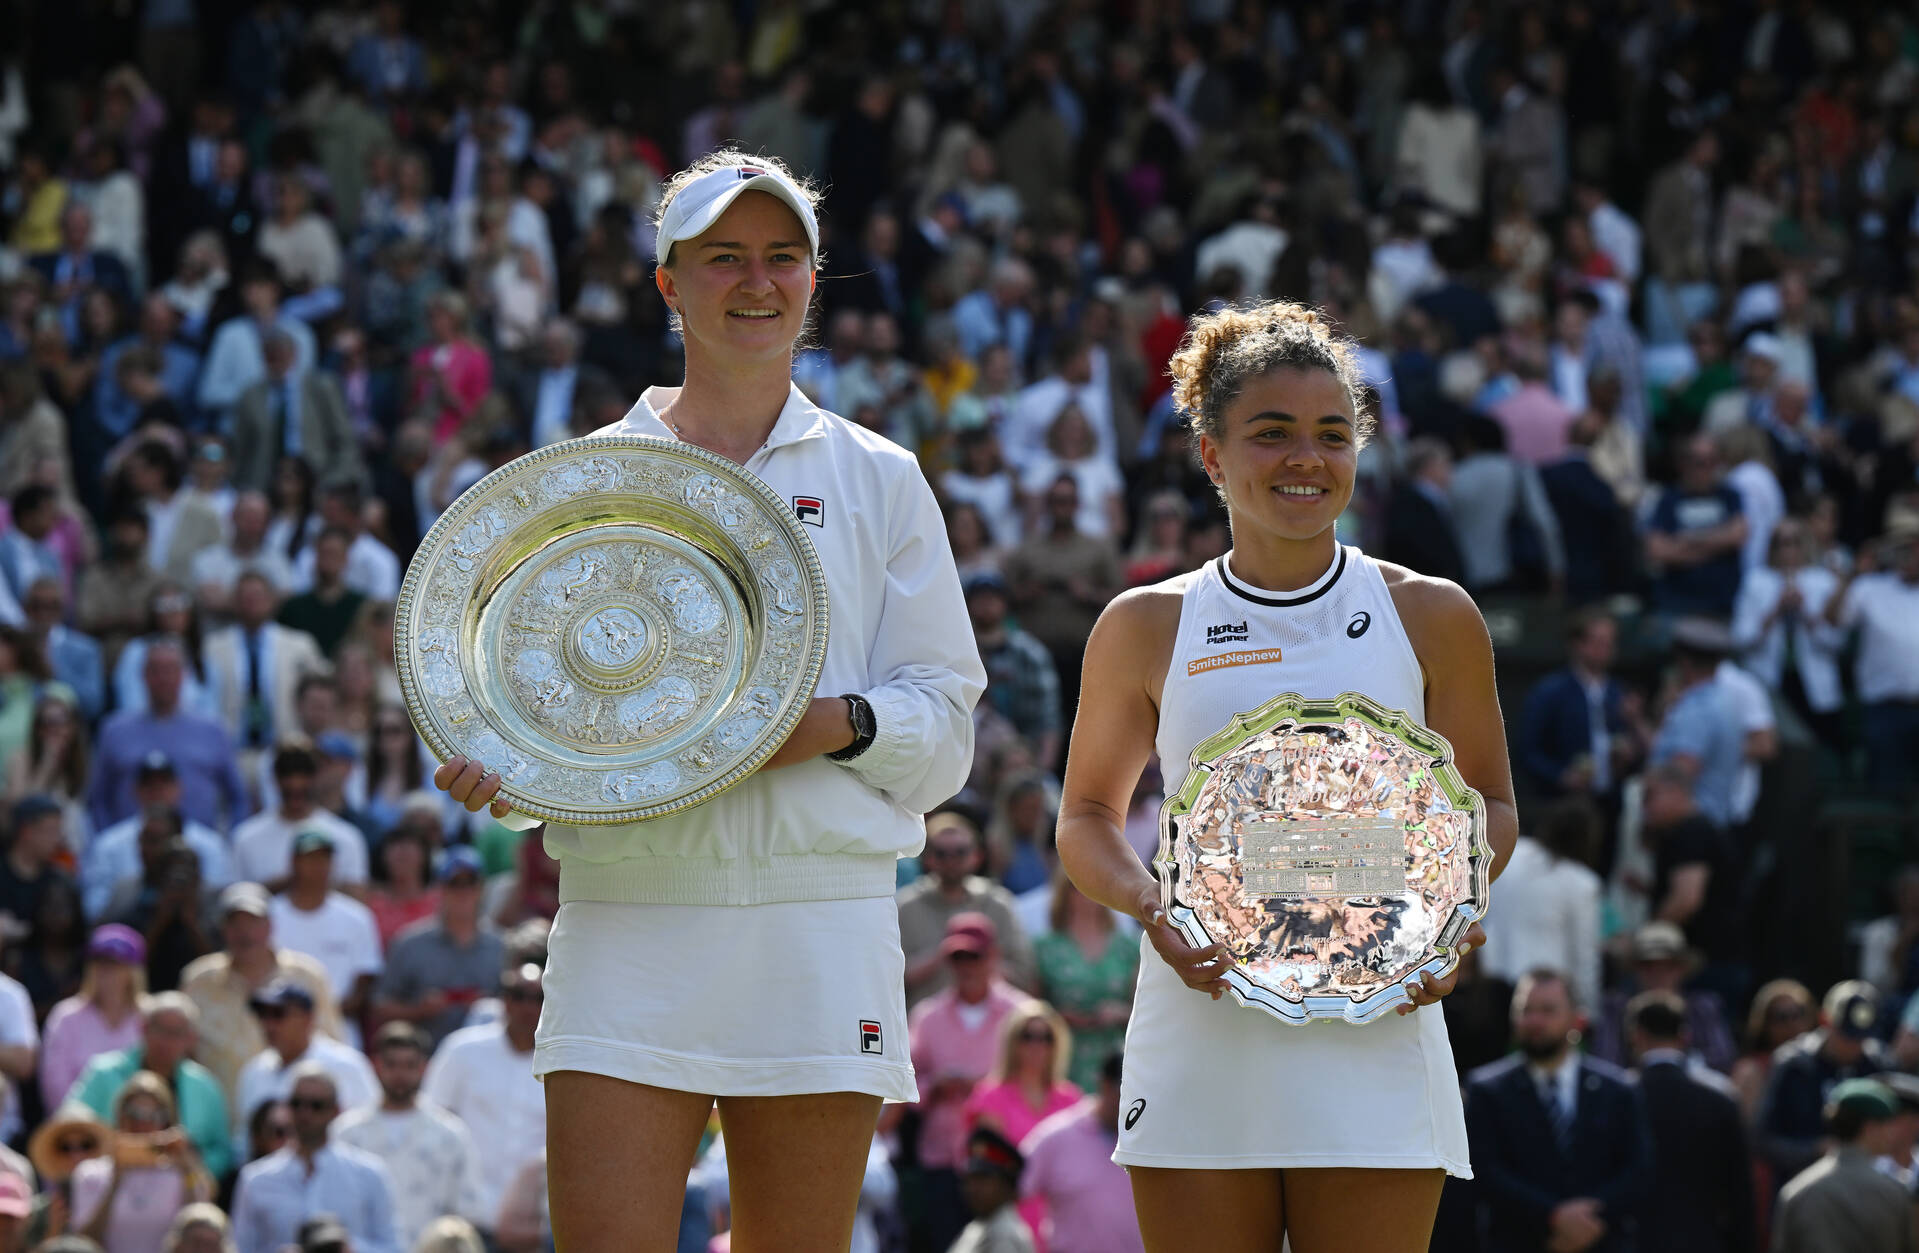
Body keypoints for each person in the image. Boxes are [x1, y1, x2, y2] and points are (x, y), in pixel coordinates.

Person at [433, 150, 984, 1253]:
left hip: (820, 924)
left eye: (783, 258)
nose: (755, 280)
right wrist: (496, 771)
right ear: (667, 285)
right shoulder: (577, 479)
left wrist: (817, 727)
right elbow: (516, 710)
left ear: (813, 281)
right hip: (628, 921)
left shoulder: (880, 475)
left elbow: (946, 728)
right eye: (722, 256)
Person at [1054, 301, 1512, 1252]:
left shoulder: (1433, 614)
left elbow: (1491, 807)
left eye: (1331, 435)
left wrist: (1445, 913)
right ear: (1212, 454)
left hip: (1378, 1025)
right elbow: (1087, 818)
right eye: (1271, 433)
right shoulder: (1144, 623)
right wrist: (1155, 907)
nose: (1305, 457)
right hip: (1201, 1022)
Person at [1464, 969, 1655, 1253]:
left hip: (1602, 1241)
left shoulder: (1618, 1090)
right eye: (1526, 1010)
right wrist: (1552, 1216)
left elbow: (1639, 1168)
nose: (1535, 1021)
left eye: (1548, 1010)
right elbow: (1485, 1171)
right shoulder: (1486, 1091)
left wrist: (1590, 1216)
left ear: (1576, 1019)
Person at [178, 883, 345, 1105]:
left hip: (297, 1122)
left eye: (253, 922)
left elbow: (331, 1044)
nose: (244, 932)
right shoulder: (198, 981)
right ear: (222, 929)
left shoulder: (307, 976)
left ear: (270, 925)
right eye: (234, 923)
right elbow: (182, 1053)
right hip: (222, 1121)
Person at [332, 1023, 486, 1251]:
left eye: (409, 1065)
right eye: (392, 1065)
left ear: (424, 1067)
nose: (400, 1075)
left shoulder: (451, 1134)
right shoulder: (346, 1133)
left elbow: (467, 1211)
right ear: (377, 1065)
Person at [420, 963, 545, 1233]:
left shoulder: (560, 1066)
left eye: (539, 997)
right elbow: (431, 1120)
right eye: (518, 995)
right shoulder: (462, 1050)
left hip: (533, 1223)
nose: (528, 1007)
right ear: (504, 1000)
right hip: (466, 1214)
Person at [1626, 991, 1754, 1253]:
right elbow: (1740, 1195)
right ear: (1685, 1036)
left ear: (1636, 1035)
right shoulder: (1720, 1099)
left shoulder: (1617, 1097)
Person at [229, 1064, 400, 1253]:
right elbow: (240, 1248)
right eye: (296, 1104)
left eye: (316, 1105)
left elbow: (393, 1247)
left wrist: (349, 1249)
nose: (305, 1113)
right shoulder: (255, 1180)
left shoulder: (370, 1174)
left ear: (336, 1110)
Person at [88, 639, 249, 835]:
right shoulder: (114, 730)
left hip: (197, 853)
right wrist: (110, 842)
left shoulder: (213, 730)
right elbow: (97, 799)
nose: (163, 678)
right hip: (130, 854)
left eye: (170, 670)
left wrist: (226, 842)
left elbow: (238, 797)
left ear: (184, 675)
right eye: (155, 670)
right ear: (143, 675)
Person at [65, 992, 233, 1179]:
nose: (166, 1041)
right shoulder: (103, 1073)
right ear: (143, 1028)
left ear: (190, 1039)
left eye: (176, 1033)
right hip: (108, 1181)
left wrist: (190, 1166)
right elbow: (70, 1124)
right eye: (160, 1030)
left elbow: (221, 1151)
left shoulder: (206, 1087)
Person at [962, 1002, 1080, 1247]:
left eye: (1046, 1037)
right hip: (1012, 1223)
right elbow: (990, 1173)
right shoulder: (991, 1097)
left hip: (1062, 1219)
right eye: (1028, 1036)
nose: (1037, 1045)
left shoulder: (1071, 1098)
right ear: (1012, 1042)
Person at [69, 1069, 217, 1253]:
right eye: (134, 1114)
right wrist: (115, 1183)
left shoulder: (182, 1172)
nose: (143, 1124)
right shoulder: (91, 1172)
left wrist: (188, 1169)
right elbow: (84, 1241)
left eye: (154, 1115)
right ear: (120, 1115)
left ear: (166, 1121)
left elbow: (200, 1233)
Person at [1758, 980, 1889, 1186]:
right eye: (1846, 1036)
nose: (1854, 1046)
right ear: (1825, 1020)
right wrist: (1815, 1150)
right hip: (1804, 1190)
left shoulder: (1878, 1066)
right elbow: (1763, 1140)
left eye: (1861, 1038)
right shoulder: (1793, 1066)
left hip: (1864, 1192)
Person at [1476, 800, 1603, 1011]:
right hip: (1546, 996)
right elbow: (1585, 956)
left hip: (1492, 979)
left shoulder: (1511, 855)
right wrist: (1587, 1009)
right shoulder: (1583, 883)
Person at [898, 812, 1035, 1004]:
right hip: (924, 1028)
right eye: (941, 853)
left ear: (977, 856)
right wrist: (941, 954)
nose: (951, 860)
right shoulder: (905, 907)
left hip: (992, 1027)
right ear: (927, 858)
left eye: (960, 852)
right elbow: (888, 978)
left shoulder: (998, 903)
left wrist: (980, 959)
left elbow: (1024, 974)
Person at [371, 846, 501, 1048]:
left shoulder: (501, 945)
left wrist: (490, 1006)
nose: (463, 892)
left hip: (487, 1060)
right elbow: (379, 1008)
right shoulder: (409, 943)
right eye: (454, 884)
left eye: (470, 883)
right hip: (424, 1059)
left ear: (481, 889)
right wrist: (418, 1010)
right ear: (439, 889)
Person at [231, 981, 377, 1156]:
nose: (268, 1025)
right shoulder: (253, 1072)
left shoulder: (346, 1065)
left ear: (308, 1018)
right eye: (263, 1014)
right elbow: (245, 1141)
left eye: (278, 1014)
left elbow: (371, 1131)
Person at [1824, 525, 1919, 795]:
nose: (1912, 555)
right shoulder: (1868, 587)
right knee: (1885, 794)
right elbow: (1832, 619)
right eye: (1905, 548)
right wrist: (1854, 573)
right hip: (1884, 710)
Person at [1019, 1050, 1144, 1253]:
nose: (1135, 1105)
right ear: (1104, 1084)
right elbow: (1008, 1190)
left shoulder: (1156, 1145)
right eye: (1127, 1093)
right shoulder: (1057, 1137)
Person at [1770, 1079, 1911, 1253]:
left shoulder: (1796, 1191)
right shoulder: (1894, 1192)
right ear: (1870, 1128)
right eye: (1886, 1125)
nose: (1890, 1134)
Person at [1033, 872, 1136, 1093]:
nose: (1085, 893)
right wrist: (1057, 1017)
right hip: (1063, 1059)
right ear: (1065, 893)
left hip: (1118, 1060)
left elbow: (1148, 1010)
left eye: (1094, 885)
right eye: (1077, 885)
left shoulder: (1128, 947)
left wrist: (1121, 1013)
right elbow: (1031, 1009)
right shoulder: (1045, 947)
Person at [266, 832, 382, 1030]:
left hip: (340, 1032)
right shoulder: (269, 914)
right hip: (276, 1029)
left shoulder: (357, 917)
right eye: (310, 858)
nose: (317, 866)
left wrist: (321, 1018)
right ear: (294, 862)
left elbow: (363, 987)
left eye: (324, 858)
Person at [38, 926, 148, 1114]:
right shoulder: (66, 1015)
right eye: (99, 963)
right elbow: (54, 1085)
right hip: (78, 1134)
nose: (105, 972)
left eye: (115, 964)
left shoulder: (150, 1016)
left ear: (133, 971)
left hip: (140, 1127)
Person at [230, 748, 369, 894]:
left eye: (304, 774)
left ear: (316, 777)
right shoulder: (245, 837)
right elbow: (236, 900)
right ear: (275, 778)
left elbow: (356, 899)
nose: (295, 784)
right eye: (287, 774)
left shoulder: (347, 837)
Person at [950, 1127, 1035, 1253]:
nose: (972, 1188)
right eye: (969, 1180)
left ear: (1006, 1186)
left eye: (982, 1180)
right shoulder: (978, 1228)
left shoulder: (1005, 1237)